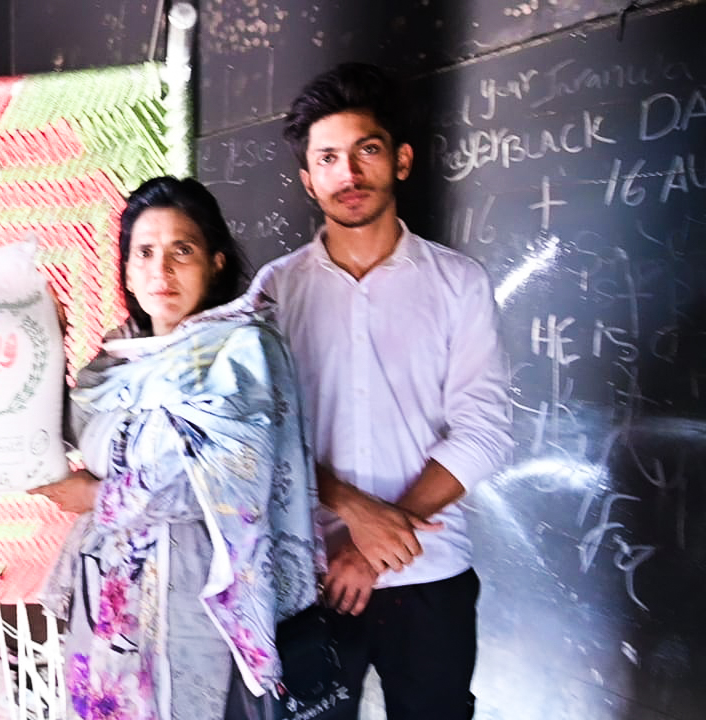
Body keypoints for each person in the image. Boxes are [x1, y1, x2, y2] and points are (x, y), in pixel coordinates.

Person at [248, 63, 514, 719]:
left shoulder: (458, 284)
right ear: (308, 179)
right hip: (310, 577)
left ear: (401, 159)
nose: (348, 173)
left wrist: (372, 544)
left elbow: (484, 433)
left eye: (365, 150)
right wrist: (348, 507)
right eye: (327, 159)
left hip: (431, 576)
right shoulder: (274, 293)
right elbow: (253, 437)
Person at [33, 176, 322, 720]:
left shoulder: (242, 350)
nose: (160, 270)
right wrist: (41, 339)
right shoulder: (116, 360)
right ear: (126, 269)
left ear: (215, 262)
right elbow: (53, 432)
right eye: (144, 252)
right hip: (106, 607)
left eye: (181, 251)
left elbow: (220, 481)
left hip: (195, 601)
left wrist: (97, 498)